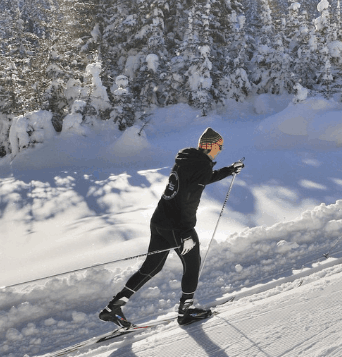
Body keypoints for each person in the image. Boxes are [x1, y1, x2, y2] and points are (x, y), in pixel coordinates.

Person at [98, 127, 244, 328]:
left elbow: (198, 181)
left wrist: (228, 170)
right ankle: (185, 313)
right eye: (219, 146)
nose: (221, 149)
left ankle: (113, 307)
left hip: (159, 221)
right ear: (210, 145)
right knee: (192, 265)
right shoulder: (201, 166)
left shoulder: (188, 160)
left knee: (152, 267)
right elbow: (187, 199)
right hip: (178, 226)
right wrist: (185, 233)